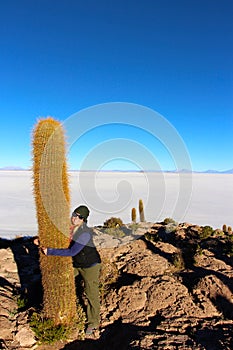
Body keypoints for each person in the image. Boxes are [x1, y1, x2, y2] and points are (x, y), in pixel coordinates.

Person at [40, 205, 101, 337]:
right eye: (74, 214)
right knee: (62, 279)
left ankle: (93, 322)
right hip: (77, 264)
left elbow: (72, 251)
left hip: (90, 266)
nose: (74, 217)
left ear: (83, 219)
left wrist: (50, 251)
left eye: (78, 216)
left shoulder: (85, 233)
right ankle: (58, 312)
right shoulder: (71, 228)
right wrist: (40, 240)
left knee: (91, 293)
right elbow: (56, 236)